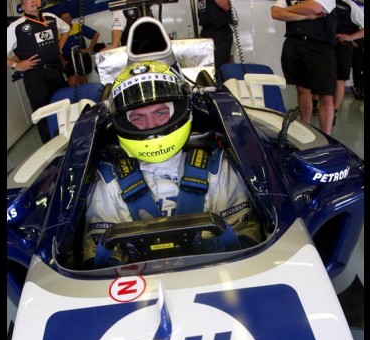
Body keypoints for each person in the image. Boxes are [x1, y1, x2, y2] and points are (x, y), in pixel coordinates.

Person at [82, 61, 263, 268]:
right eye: (138, 117)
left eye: (160, 113)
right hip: (140, 289)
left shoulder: (216, 167)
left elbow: (247, 240)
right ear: (122, 122)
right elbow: (99, 261)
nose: (151, 126)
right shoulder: (108, 180)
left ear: (181, 111)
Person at [7, 0, 70, 143]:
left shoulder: (50, 17)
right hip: (35, 76)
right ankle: (52, 150)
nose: (33, 2)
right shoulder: (16, 26)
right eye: (28, 0)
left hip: (55, 71)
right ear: (22, 6)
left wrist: (58, 47)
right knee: (43, 115)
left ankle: (70, 140)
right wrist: (16, 66)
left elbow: (66, 29)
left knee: (64, 107)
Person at [271, 0, 337, 134]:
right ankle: (305, 129)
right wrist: (305, 16)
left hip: (320, 46)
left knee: (326, 95)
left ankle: (327, 137)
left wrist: (289, 10)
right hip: (294, 44)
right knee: (302, 89)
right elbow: (276, 13)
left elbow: (314, 7)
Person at [331, 0, 364, 124]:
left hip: (342, 48)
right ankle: (315, 106)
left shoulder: (350, 6)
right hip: (324, 47)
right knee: (321, 77)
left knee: (339, 80)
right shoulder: (324, 2)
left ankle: (333, 112)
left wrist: (350, 37)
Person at [59, 12, 100, 86]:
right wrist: (62, 61)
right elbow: (56, 49)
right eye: (64, 18)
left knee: (82, 79)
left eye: (68, 17)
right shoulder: (58, 33)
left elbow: (96, 34)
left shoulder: (79, 26)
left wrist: (90, 49)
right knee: (72, 82)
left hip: (81, 56)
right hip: (68, 59)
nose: (67, 19)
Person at [197, 0, 234, 68]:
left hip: (219, 33)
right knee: (206, 66)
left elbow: (226, 6)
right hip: (206, 32)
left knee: (219, 67)